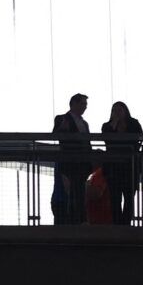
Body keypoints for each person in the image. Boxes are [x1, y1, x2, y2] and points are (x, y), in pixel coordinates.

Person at [51, 93, 92, 225]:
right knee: (74, 191)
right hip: (70, 160)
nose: (85, 107)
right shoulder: (63, 118)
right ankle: (76, 218)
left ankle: (78, 218)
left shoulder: (84, 123)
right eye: (83, 104)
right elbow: (55, 134)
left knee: (79, 190)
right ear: (74, 104)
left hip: (81, 162)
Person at [101, 101, 143, 225]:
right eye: (115, 110)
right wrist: (114, 124)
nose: (117, 113)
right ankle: (117, 223)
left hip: (130, 166)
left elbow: (139, 139)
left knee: (129, 197)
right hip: (113, 167)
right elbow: (106, 140)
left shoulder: (134, 124)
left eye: (120, 110)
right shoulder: (107, 126)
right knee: (115, 197)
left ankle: (126, 223)